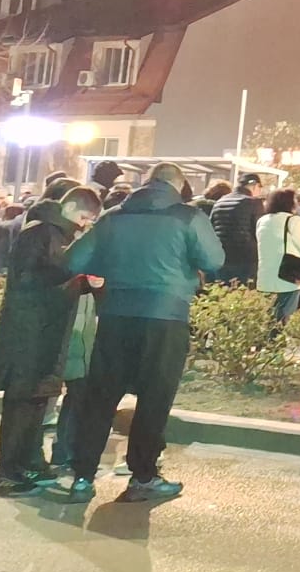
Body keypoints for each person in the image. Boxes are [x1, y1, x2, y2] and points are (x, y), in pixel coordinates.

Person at [49, 164, 223, 503]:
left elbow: (74, 261)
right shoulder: (188, 217)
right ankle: (143, 476)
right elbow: (214, 259)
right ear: (178, 186)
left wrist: (110, 266)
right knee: (154, 399)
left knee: (101, 397)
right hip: (165, 317)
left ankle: (82, 476)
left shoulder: (113, 217)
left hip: (115, 315)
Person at [0, 184, 101, 495]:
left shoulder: (53, 233)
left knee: (36, 402)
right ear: (73, 210)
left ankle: (27, 464)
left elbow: (51, 278)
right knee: (22, 403)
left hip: (43, 333)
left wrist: (82, 283)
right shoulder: (41, 232)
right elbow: (35, 281)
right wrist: (75, 274)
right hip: (29, 335)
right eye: (85, 219)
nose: (84, 227)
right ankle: (8, 474)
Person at [254, 187, 300, 321]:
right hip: (288, 277)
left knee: (268, 318)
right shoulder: (294, 221)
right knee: (285, 318)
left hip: (265, 277)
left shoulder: (263, 220)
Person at [206, 171, 262, 284]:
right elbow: (259, 231)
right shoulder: (253, 202)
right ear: (254, 185)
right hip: (245, 258)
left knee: (222, 289)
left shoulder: (220, 201)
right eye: (260, 187)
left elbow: (210, 228)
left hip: (222, 256)